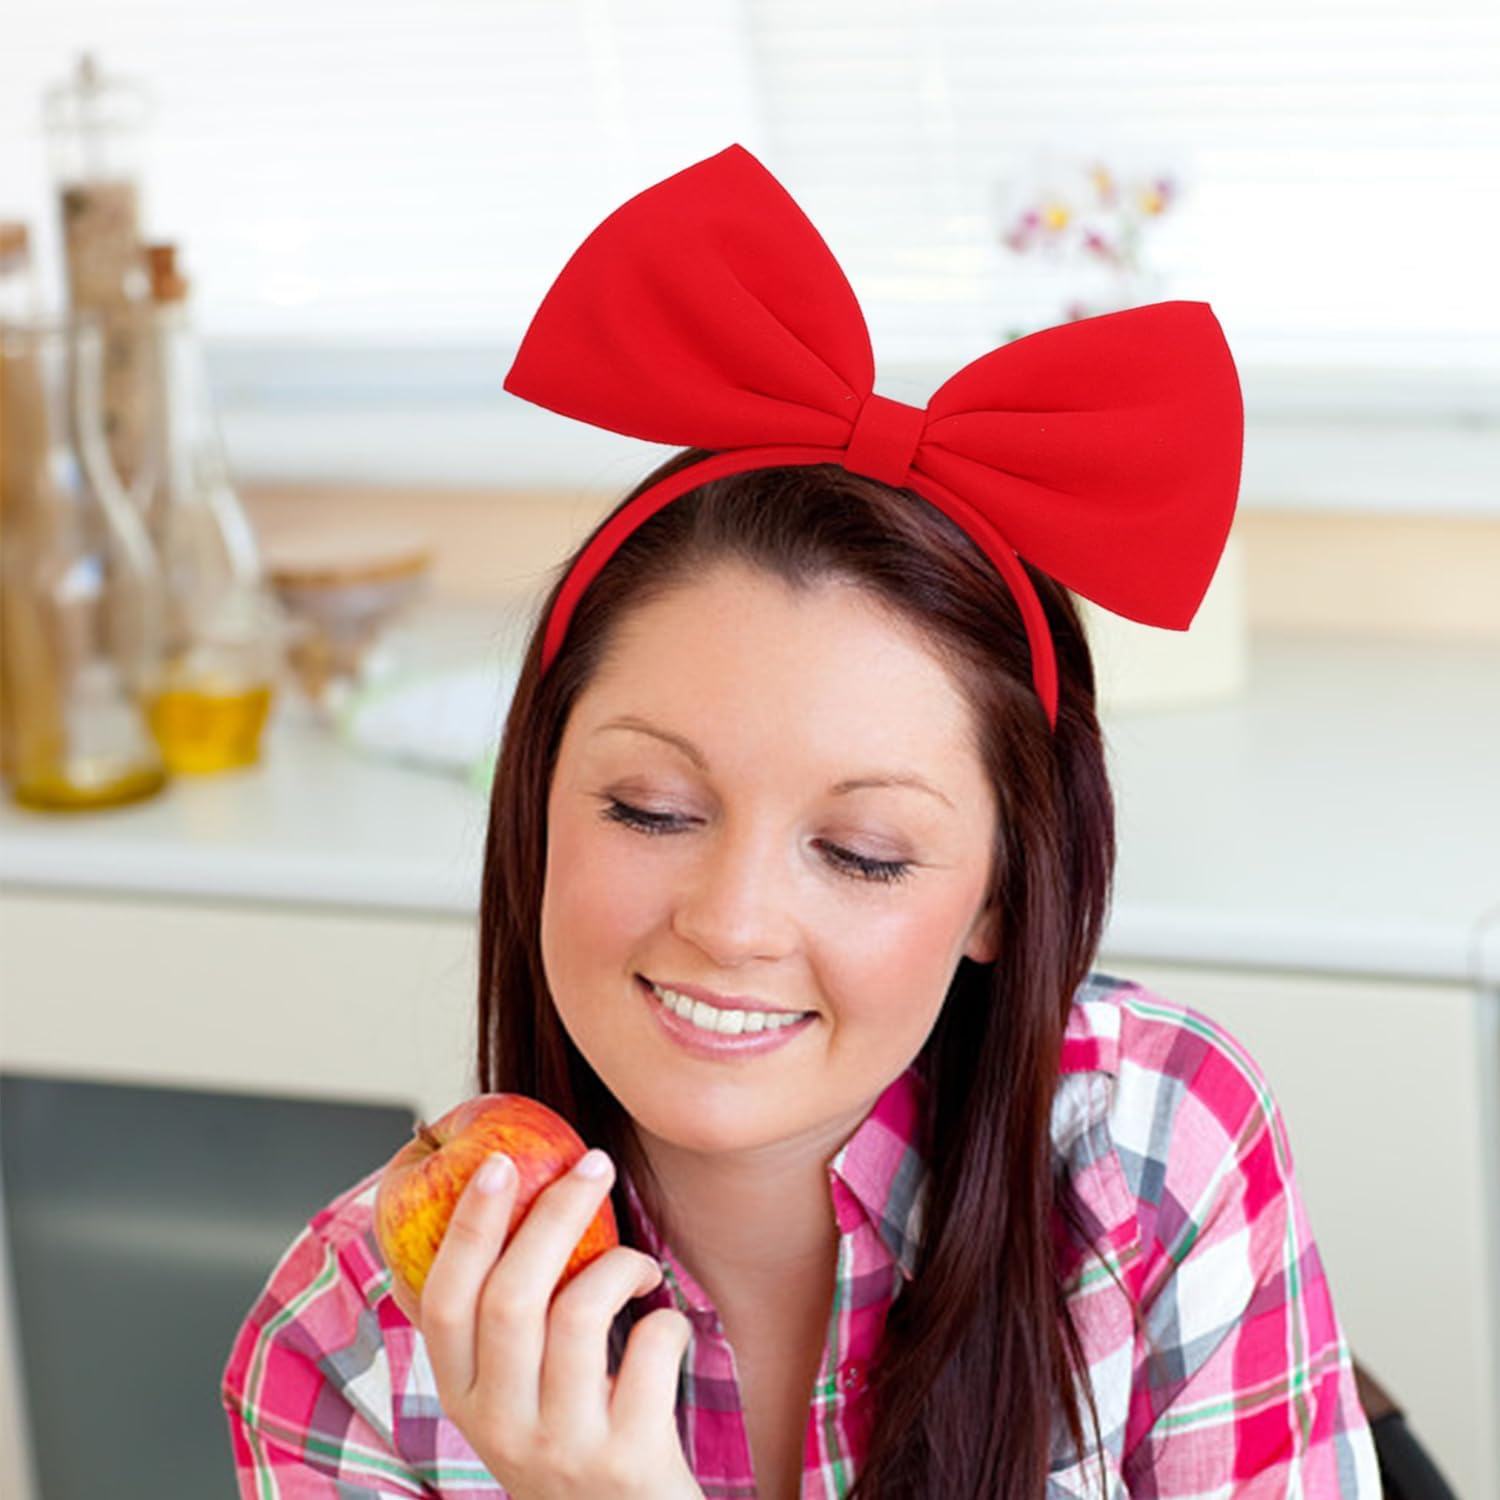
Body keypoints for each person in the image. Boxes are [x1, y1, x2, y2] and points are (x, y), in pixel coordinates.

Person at [222, 147, 1380, 1499]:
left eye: (861, 852)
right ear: (536, 804)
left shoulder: (1150, 1150)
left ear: (1005, 894)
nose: (730, 920)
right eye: (651, 810)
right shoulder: (350, 1351)